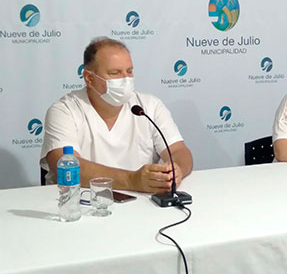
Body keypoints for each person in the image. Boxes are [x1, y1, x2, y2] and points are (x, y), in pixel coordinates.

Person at [40, 37, 193, 193]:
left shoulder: (149, 106)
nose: (125, 80)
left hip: (141, 201)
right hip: (79, 201)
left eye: (129, 71)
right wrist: (131, 180)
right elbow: (65, 167)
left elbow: (178, 151)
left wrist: (177, 170)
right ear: (89, 78)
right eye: (115, 73)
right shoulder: (65, 110)